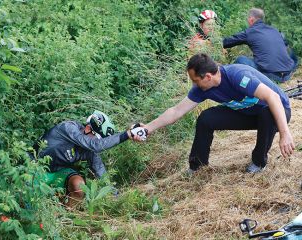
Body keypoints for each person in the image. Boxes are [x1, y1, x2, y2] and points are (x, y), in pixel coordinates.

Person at [135, 53, 294, 174]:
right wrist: (148, 128)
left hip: (277, 111)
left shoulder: (237, 76)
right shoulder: (202, 89)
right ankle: (197, 167)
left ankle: (259, 162)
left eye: (196, 80)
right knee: (206, 118)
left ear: (208, 77)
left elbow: (273, 97)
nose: (194, 84)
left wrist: (285, 134)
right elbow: (176, 110)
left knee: (266, 113)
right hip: (248, 113)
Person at [29, 110, 145, 207]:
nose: (98, 142)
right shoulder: (68, 128)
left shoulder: (89, 150)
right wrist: (127, 134)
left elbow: (101, 173)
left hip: (56, 173)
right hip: (35, 168)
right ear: (88, 128)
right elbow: (95, 145)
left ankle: (64, 218)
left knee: (79, 186)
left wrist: (117, 196)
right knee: (30, 203)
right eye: (97, 138)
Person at [223, 8, 298, 83]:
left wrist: (214, 41)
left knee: (241, 59)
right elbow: (285, 44)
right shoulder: (274, 30)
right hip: (287, 73)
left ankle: (238, 84)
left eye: (248, 18)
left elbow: (226, 42)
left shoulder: (250, 32)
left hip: (270, 75)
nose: (247, 21)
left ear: (251, 19)